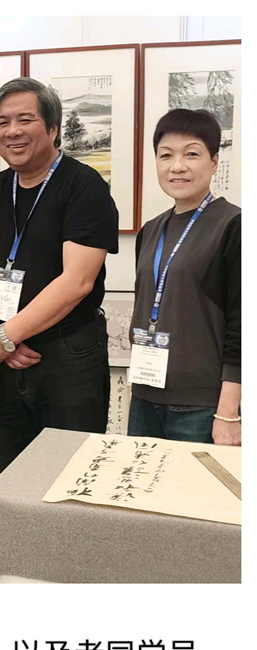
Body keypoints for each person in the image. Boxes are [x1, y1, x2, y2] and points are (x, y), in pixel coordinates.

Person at [0, 77, 119, 477]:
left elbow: (77, 281)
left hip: (66, 354)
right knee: (9, 473)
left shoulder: (84, 187)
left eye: (24, 119)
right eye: (2, 121)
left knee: (68, 474)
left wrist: (6, 335)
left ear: (53, 127)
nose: (12, 131)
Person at [127, 108, 241, 445]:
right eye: (166, 155)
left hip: (202, 407)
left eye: (191, 154)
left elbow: (242, 327)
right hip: (145, 396)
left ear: (215, 161)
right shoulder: (151, 230)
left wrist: (228, 413)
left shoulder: (233, 226)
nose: (177, 166)